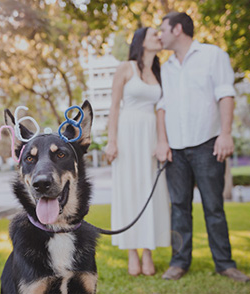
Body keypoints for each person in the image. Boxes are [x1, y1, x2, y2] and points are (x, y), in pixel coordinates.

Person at [155, 12, 250, 282]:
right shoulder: (166, 67)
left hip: (208, 144)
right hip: (175, 149)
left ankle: (225, 264)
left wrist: (226, 134)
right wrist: (162, 141)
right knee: (179, 208)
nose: (160, 35)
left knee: (214, 208)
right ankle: (179, 263)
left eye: (163, 29)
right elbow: (161, 107)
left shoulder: (213, 55)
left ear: (177, 29)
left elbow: (225, 94)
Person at [104, 26, 171, 276]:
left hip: (151, 136)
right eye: (155, 34)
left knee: (150, 192)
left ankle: (148, 251)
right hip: (128, 134)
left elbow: (162, 109)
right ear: (142, 41)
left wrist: (163, 140)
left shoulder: (159, 72)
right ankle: (132, 252)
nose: (159, 37)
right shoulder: (126, 68)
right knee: (129, 191)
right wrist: (112, 141)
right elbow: (114, 107)